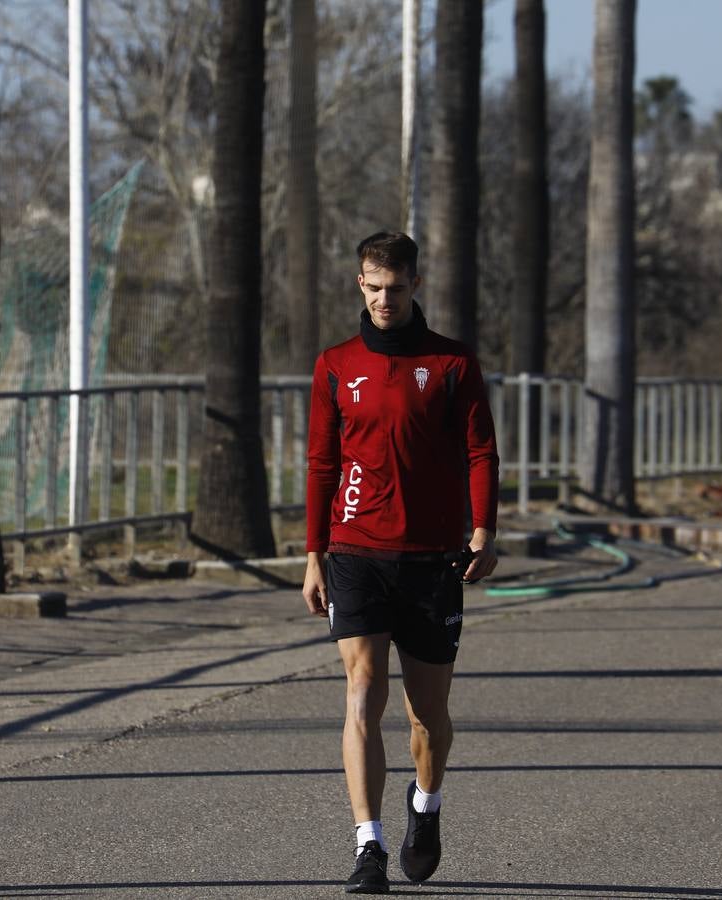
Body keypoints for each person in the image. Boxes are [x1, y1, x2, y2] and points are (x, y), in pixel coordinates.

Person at [302, 231, 500, 894]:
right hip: (356, 550)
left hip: (432, 559)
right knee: (362, 690)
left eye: (395, 287)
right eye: (372, 286)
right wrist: (312, 555)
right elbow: (321, 463)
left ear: (416, 284)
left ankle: (427, 804)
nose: (384, 299)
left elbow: (480, 452)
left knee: (427, 716)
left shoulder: (451, 364)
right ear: (359, 284)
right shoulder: (335, 365)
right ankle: (369, 846)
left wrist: (482, 532)